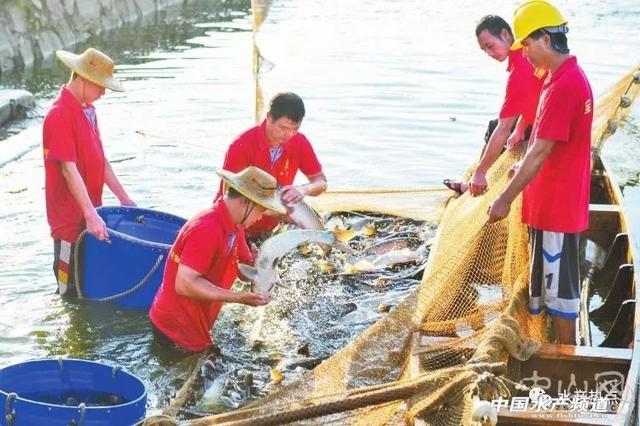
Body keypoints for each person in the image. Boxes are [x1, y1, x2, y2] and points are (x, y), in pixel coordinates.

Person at [487, 0, 593, 345]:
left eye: (527, 45)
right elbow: (546, 146)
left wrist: (503, 199)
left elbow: (541, 149)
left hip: (556, 212)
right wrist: (522, 164)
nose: (525, 53)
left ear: (546, 39)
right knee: (549, 288)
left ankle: (568, 365)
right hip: (550, 205)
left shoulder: (565, 85)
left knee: (561, 297)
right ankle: (558, 351)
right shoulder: (558, 77)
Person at [149, 166, 286, 353]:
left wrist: (259, 262)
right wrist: (238, 298)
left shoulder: (235, 226)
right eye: (261, 210)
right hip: (175, 327)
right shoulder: (207, 228)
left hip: (195, 321)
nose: (261, 218)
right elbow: (184, 284)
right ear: (246, 202)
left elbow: (244, 270)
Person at [43, 48, 135, 298]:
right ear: (82, 79)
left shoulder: (88, 111)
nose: (103, 92)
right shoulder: (60, 114)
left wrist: (124, 198)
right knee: (68, 292)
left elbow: (100, 160)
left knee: (89, 286)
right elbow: (68, 169)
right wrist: (90, 214)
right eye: (99, 86)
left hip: (91, 216)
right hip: (69, 224)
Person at [443, 15, 546, 196]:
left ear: (505, 34)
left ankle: (476, 182)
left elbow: (503, 128)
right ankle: (477, 179)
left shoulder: (519, 71)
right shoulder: (526, 52)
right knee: (500, 127)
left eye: (490, 46)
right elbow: (534, 98)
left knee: (496, 128)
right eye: (484, 50)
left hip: (546, 131)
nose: (489, 54)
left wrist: (480, 172)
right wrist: (521, 126)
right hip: (543, 119)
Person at [219, 92, 327, 239]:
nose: (289, 135)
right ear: (269, 117)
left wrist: (304, 189)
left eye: (295, 129)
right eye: (283, 128)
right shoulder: (241, 145)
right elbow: (230, 199)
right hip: (233, 223)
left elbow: (321, 182)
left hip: (272, 224)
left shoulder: (300, 142)